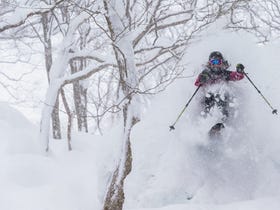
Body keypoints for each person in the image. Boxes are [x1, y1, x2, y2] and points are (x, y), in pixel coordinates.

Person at [194, 51, 245, 132]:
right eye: (213, 61)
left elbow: (236, 76)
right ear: (209, 63)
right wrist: (202, 79)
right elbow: (197, 83)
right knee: (209, 96)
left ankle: (222, 123)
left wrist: (239, 72)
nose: (215, 64)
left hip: (222, 97)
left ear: (222, 62)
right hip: (208, 98)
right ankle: (204, 125)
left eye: (218, 61)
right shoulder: (206, 73)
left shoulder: (224, 73)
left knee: (222, 94)